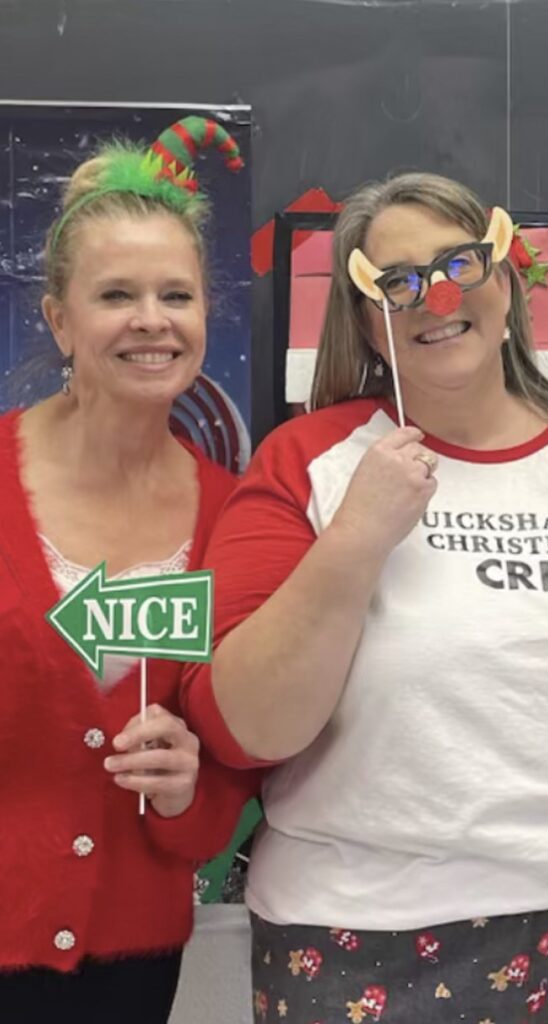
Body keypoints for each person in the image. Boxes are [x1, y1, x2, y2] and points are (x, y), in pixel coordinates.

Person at [183, 171, 548, 1024]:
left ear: (506, 281)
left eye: (460, 264)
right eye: (399, 282)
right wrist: (355, 539)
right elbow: (248, 727)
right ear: (366, 321)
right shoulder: (306, 465)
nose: (436, 298)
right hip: (361, 936)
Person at [0, 118, 257, 1024]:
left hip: (134, 960)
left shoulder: (240, 517)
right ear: (60, 319)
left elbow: (232, 770)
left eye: (176, 295)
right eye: (117, 294)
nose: (152, 321)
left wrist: (191, 789)